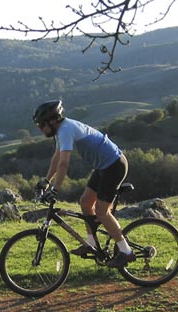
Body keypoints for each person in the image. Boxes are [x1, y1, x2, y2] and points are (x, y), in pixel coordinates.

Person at [33, 100, 136, 268]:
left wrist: (55, 189)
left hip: (115, 165)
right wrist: (46, 181)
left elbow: (64, 164)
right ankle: (92, 244)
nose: (40, 129)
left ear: (52, 121)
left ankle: (126, 252)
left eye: (41, 124)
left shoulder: (65, 130)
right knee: (86, 203)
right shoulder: (61, 130)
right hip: (104, 166)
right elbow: (56, 157)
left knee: (102, 211)